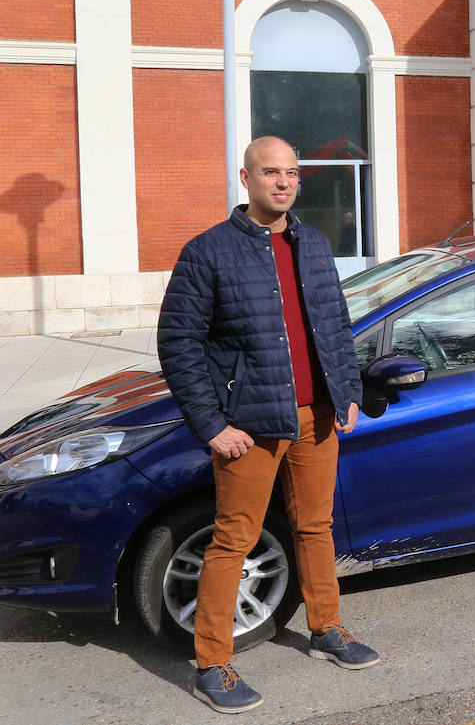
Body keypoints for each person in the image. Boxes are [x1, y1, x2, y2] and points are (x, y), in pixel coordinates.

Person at [158, 136, 378, 714]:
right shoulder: (208, 251)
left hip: (317, 417)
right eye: (270, 173)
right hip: (249, 426)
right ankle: (212, 663)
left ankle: (326, 629)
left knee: (316, 526)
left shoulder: (314, 244)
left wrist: (347, 391)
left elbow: (335, 324)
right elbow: (178, 344)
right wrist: (211, 425)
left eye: (292, 174)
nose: (283, 182)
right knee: (233, 538)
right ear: (246, 178)